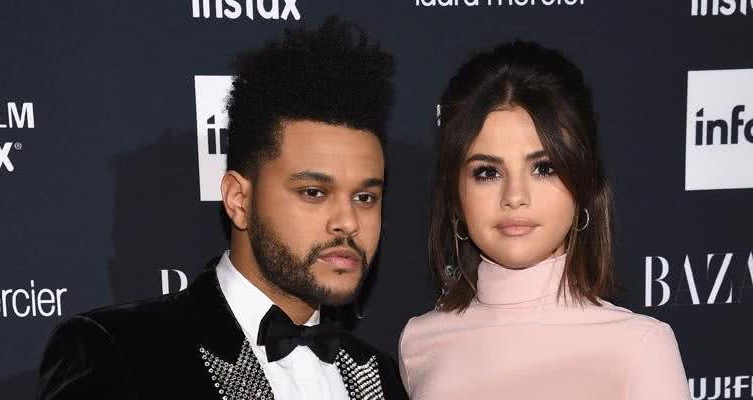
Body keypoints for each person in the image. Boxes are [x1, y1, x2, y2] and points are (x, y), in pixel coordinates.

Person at [36, 17, 408, 400]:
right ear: (238, 199)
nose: (348, 222)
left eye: (365, 198)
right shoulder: (119, 352)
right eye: (314, 192)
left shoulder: (383, 379)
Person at [398, 41, 689, 400]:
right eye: (487, 172)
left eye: (544, 167)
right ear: (455, 193)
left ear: (582, 182)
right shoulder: (418, 344)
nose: (515, 196)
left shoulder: (639, 347)